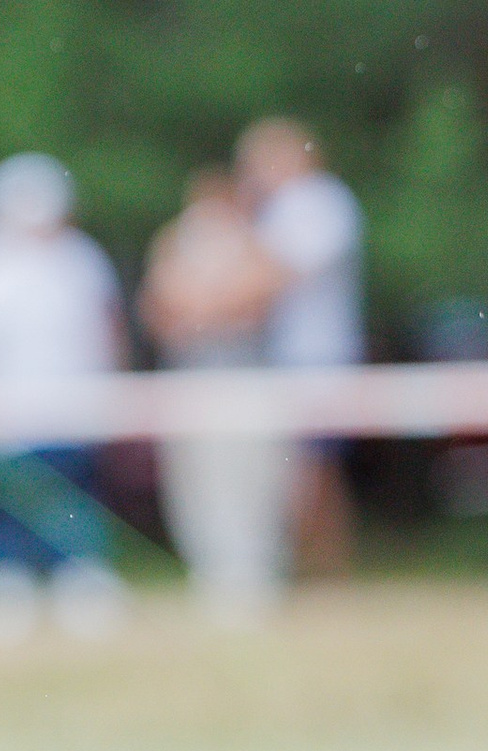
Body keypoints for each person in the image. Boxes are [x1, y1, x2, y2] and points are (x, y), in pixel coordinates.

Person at [0, 154, 128, 638]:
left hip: (72, 410)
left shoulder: (79, 258)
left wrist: (114, 395)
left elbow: (108, 330)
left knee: (73, 496)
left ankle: (81, 579)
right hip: (2, 412)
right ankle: (3, 582)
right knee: (8, 501)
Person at [138, 166, 292, 615]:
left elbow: (262, 294)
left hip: (247, 378)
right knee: (194, 478)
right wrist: (212, 308)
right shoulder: (173, 243)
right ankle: (210, 571)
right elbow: (158, 306)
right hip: (190, 378)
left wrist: (203, 308)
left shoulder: (256, 244)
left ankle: (257, 572)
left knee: (254, 476)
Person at [239, 116, 366, 574]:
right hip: (296, 357)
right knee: (309, 468)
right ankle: (317, 571)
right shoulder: (288, 207)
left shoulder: (318, 201)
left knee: (312, 469)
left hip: (317, 357)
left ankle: (321, 571)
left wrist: (208, 300)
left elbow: (277, 275)